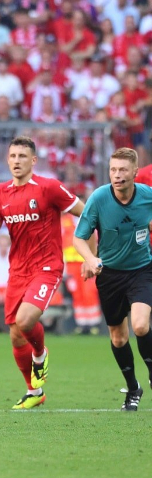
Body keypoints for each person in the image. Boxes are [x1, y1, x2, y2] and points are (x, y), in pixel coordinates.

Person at [0, 136, 84, 409]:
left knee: (26, 321)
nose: (16, 161)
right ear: (7, 159)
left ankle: (40, 354)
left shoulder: (48, 187)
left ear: (33, 160)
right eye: (13, 156)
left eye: (22, 156)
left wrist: (88, 253)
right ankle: (34, 392)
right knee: (16, 334)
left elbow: (84, 213)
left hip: (47, 267)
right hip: (17, 269)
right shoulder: (0, 192)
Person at [73, 147, 152, 411]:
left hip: (142, 270)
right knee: (118, 338)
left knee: (140, 326)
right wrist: (90, 259)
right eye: (113, 170)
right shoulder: (98, 199)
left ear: (135, 172)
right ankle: (133, 388)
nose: (117, 175)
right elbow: (79, 237)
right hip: (109, 275)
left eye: (122, 170)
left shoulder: (147, 197)